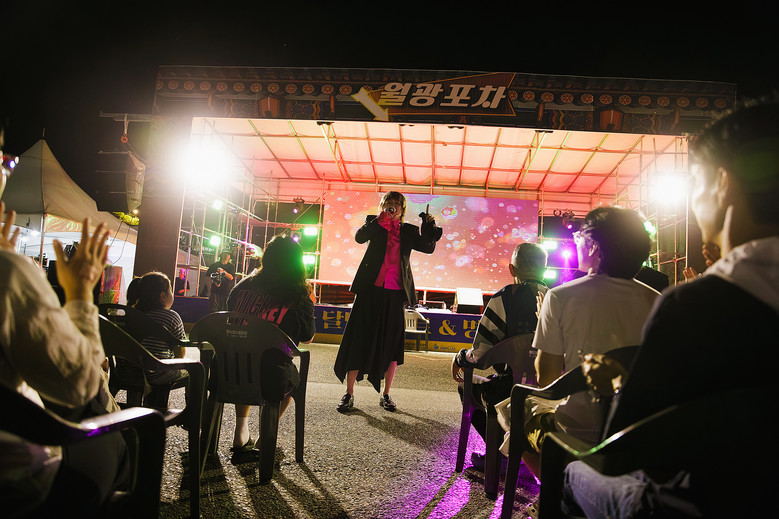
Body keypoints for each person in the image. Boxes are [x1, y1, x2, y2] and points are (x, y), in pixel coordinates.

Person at [561, 96, 779, 519]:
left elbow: (637, 456)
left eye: (696, 183)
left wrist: (616, 385)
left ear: (722, 183)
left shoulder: (697, 306)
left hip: (695, 506)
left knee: (572, 474)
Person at [0, 123, 128, 516]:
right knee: (118, 440)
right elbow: (79, 387)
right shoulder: (8, 273)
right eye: (5, 160)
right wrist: (81, 291)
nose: (6, 172)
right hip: (19, 483)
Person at [504, 206, 660, 481]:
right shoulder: (657, 302)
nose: (576, 242)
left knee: (511, 411)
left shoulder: (560, 298)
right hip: (635, 430)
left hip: (575, 431)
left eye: (580, 237)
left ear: (595, 246)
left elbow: (547, 378)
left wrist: (545, 323)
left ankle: (558, 489)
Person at [334, 191, 442, 412]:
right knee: (359, 339)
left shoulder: (408, 231)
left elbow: (428, 247)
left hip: (395, 294)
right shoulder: (374, 223)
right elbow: (359, 238)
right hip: (370, 291)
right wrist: (380, 220)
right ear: (382, 206)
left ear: (402, 209)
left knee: (392, 344)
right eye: (388, 203)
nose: (392, 207)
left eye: (396, 204)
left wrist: (429, 226)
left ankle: (386, 394)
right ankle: (349, 392)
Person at [450, 242, 548, 470]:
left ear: (512, 269)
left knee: (466, 387)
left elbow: (480, 355)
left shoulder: (504, 298)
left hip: (510, 392)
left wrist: (460, 358)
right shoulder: (558, 298)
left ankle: (499, 455)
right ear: (545, 269)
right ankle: (528, 455)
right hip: (551, 392)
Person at [226, 235, 315, 452]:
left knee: (245, 357)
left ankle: (240, 431)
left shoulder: (242, 285)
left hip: (229, 370)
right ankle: (266, 434)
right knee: (291, 379)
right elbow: (307, 337)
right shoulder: (299, 292)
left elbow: (227, 317)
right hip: (271, 375)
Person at [128, 271, 189, 409]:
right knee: (196, 370)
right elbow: (180, 352)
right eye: (171, 291)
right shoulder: (171, 317)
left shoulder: (131, 314)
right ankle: (191, 412)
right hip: (157, 373)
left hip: (130, 371)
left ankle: (133, 406)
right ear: (162, 296)